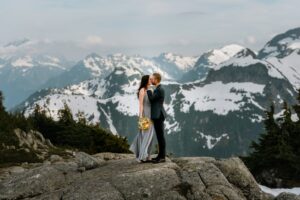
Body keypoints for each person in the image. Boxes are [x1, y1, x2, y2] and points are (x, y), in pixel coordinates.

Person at [130, 75, 155, 163]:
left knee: (150, 135)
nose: (151, 80)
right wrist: (140, 116)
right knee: (145, 135)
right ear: (146, 81)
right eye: (149, 79)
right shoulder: (142, 90)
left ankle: (148, 156)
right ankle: (142, 156)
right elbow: (141, 104)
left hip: (151, 114)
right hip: (145, 114)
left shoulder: (151, 89)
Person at [147, 73, 167, 163]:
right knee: (159, 136)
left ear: (156, 79)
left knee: (160, 136)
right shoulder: (159, 89)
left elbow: (151, 99)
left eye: (152, 79)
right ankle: (160, 155)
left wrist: (148, 90)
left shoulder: (159, 89)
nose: (151, 81)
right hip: (158, 115)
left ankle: (162, 157)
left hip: (158, 115)